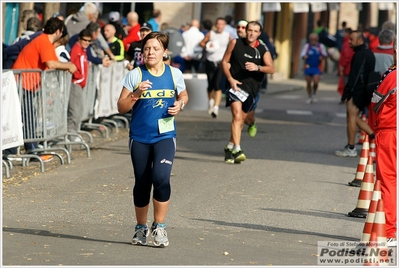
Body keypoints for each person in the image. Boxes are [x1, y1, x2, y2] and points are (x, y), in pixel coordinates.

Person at [117, 32, 188, 247]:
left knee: (161, 176)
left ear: (164, 52)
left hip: (165, 135)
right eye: (147, 48)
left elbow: (183, 95)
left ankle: (160, 227)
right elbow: (121, 107)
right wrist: (137, 92)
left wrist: (180, 105)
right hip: (139, 137)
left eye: (155, 49)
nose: (150, 52)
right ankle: (140, 228)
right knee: (142, 181)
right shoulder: (135, 75)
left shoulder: (174, 74)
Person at [11, 17, 77, 162]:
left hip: (27, 83)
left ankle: (31, 149)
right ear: (59, 31)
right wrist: (69, 66)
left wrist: (64, 66)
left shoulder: (45, 41)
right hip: (22, 83)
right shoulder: (44, 41)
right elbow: (52, 63)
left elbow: (53, 62)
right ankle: (27, 151)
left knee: (30, 117)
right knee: (25, 117)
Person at [221, 21, 274, 164]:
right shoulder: (235, 43)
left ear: (259, 34)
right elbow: (225, 62)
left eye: (255, 31)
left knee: (245, 119)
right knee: (237, 116)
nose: (251, 33)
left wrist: (257, 67)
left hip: (252, 89)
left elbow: (271, 68)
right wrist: (230, 79)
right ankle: (237, 149)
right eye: (249, 30)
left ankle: (230, 146)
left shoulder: (262, 49)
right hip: (235, 85)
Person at [369, 40, 396, 247]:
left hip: (390, 132)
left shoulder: (392, 76)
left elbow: (375, 102)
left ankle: (389, 231)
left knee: (388, 180)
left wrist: (373, 127)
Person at [335, 30, 375, 157]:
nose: (349, 42)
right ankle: (374, 136)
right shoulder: (368, 53)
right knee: (354, 117)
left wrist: (347, 93)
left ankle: (351, 148)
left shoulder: (360, 55)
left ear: (359, 40)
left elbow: (355, 76)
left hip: (358, 91)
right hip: (364, 90)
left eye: (351, 40)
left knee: (351, 117)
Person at [199, 17, 230, 118]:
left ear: (224, 26)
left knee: (218, 85)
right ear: (216, 25)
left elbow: (231, 48)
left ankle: (216, 108)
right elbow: (201, 43)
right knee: (210, 85)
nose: (219, 26)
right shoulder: (211, 34)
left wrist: (229, 61)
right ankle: (211, 101)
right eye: (218, 24)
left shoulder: (227, 36)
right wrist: (208, 45)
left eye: (222, 24)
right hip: (210, 61)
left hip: (221, 62)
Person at [67, 29, 92, 141]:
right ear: (79, 39)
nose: (86, 42)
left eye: (89, 41)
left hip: (80, 83)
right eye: (84, 40)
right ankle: (71, 134)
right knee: (75, 110)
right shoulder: (76, 49)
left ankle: (74, 132)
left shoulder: (83, 50)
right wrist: (77, 76)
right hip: (75, 83)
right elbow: (72, 65)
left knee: (79, 109)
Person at [300, 33, 328, 104]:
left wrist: (322, 57)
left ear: (317, 39)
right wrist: (304, 57)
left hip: (316, 67)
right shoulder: (307, 46)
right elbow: (302, 55)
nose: (313, 40)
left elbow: (325, 55)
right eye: (312, 39)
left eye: (315, 39)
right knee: (308, 83)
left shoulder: (320, 46)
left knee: (315, 82)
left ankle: (314, 93)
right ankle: (310, 96)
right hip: (308, 67)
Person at [337, 28, 354, 96]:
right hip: (349, 68)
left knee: (346, 84)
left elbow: (346, 56)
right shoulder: (348, 42)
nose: (343, 34)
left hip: (347, 69)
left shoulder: (347, 43)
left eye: (344, 33)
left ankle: (347, 97)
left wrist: (342, 66)